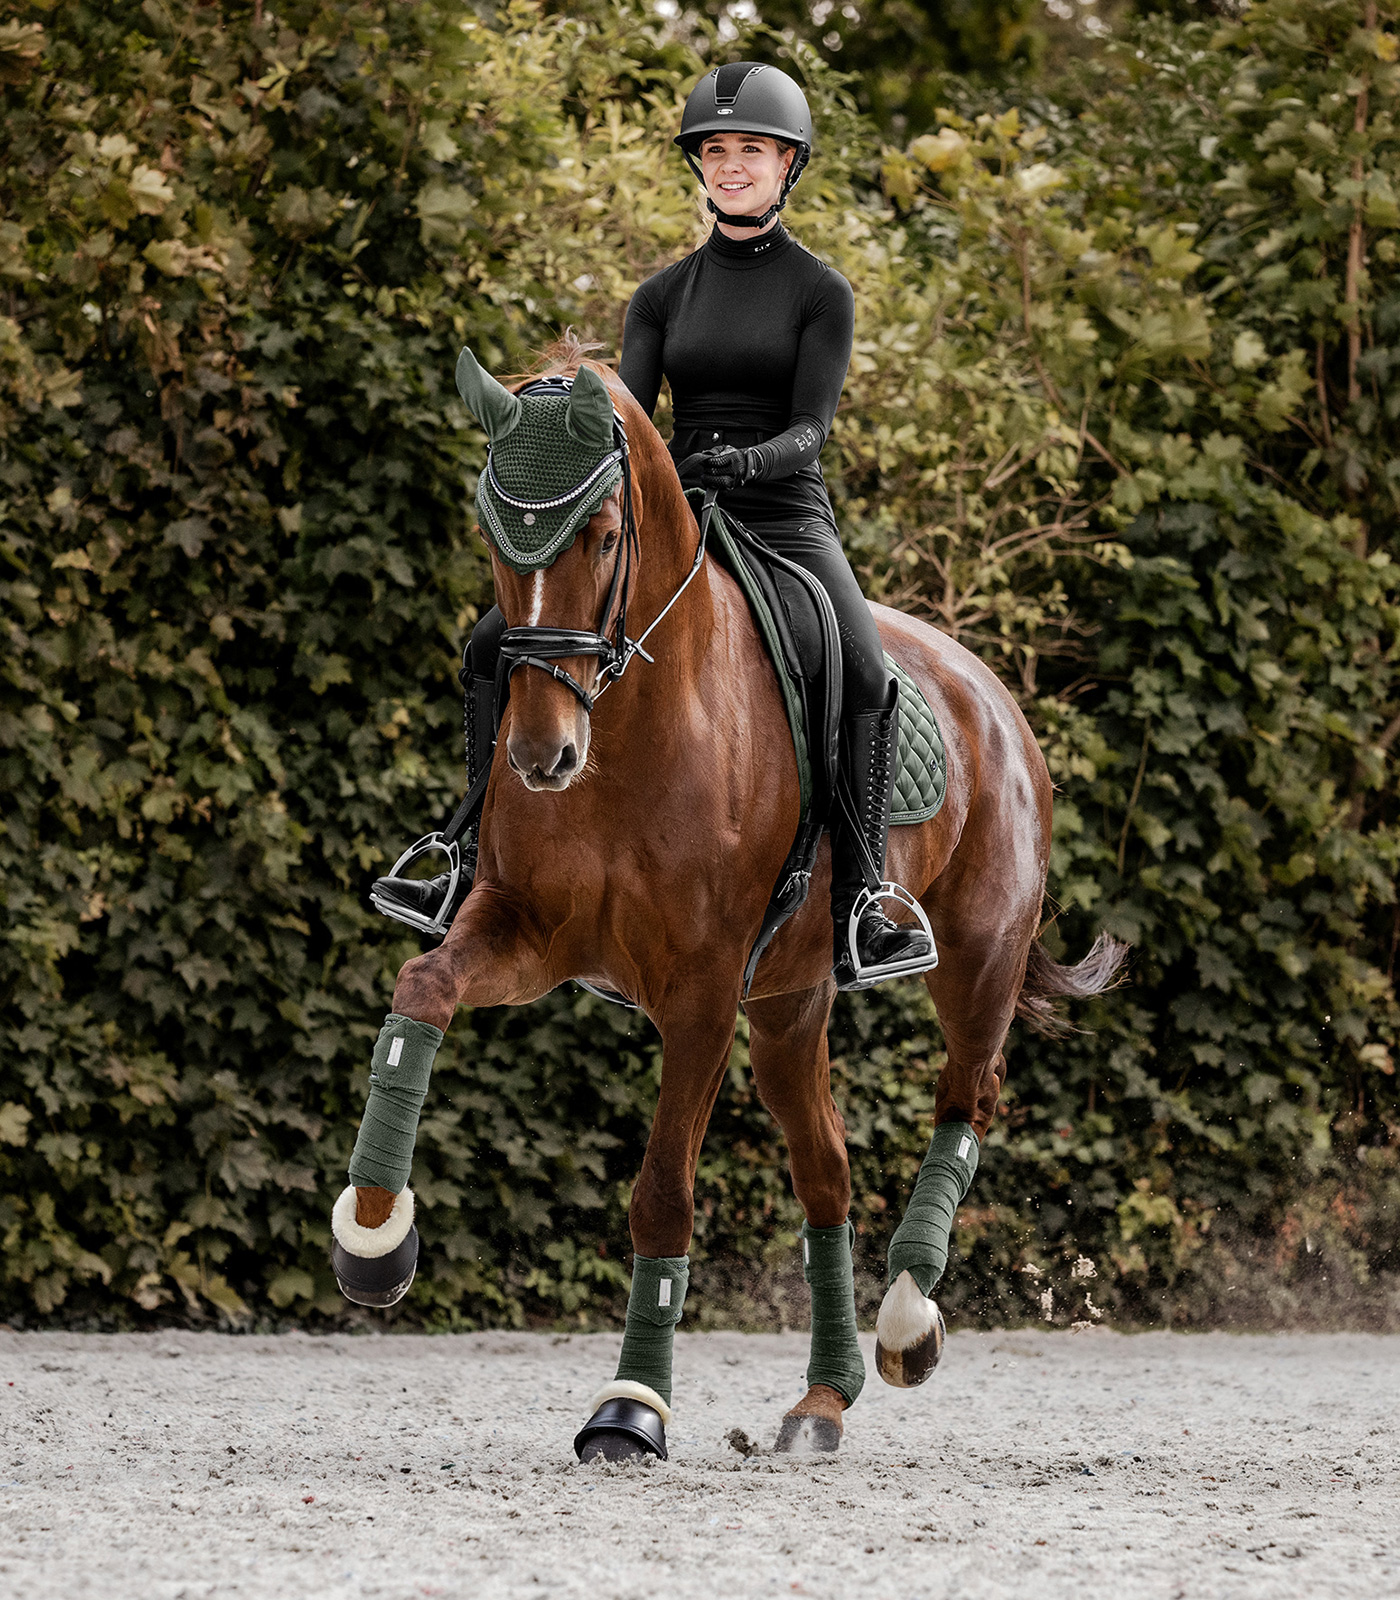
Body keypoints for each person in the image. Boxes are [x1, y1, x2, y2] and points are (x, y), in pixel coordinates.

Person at [371, 62, 934, 990]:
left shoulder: (818, 291)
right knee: (490, 644)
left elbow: (812, 430)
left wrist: (746, 463)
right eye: (716, 151)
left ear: (788, 163)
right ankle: (463, 854)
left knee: (864, 666)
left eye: (750, 150)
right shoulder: (662, 296)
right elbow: (624, 414)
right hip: (678, 517)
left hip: (785, 515)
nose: (731, 166)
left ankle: (865, 898)